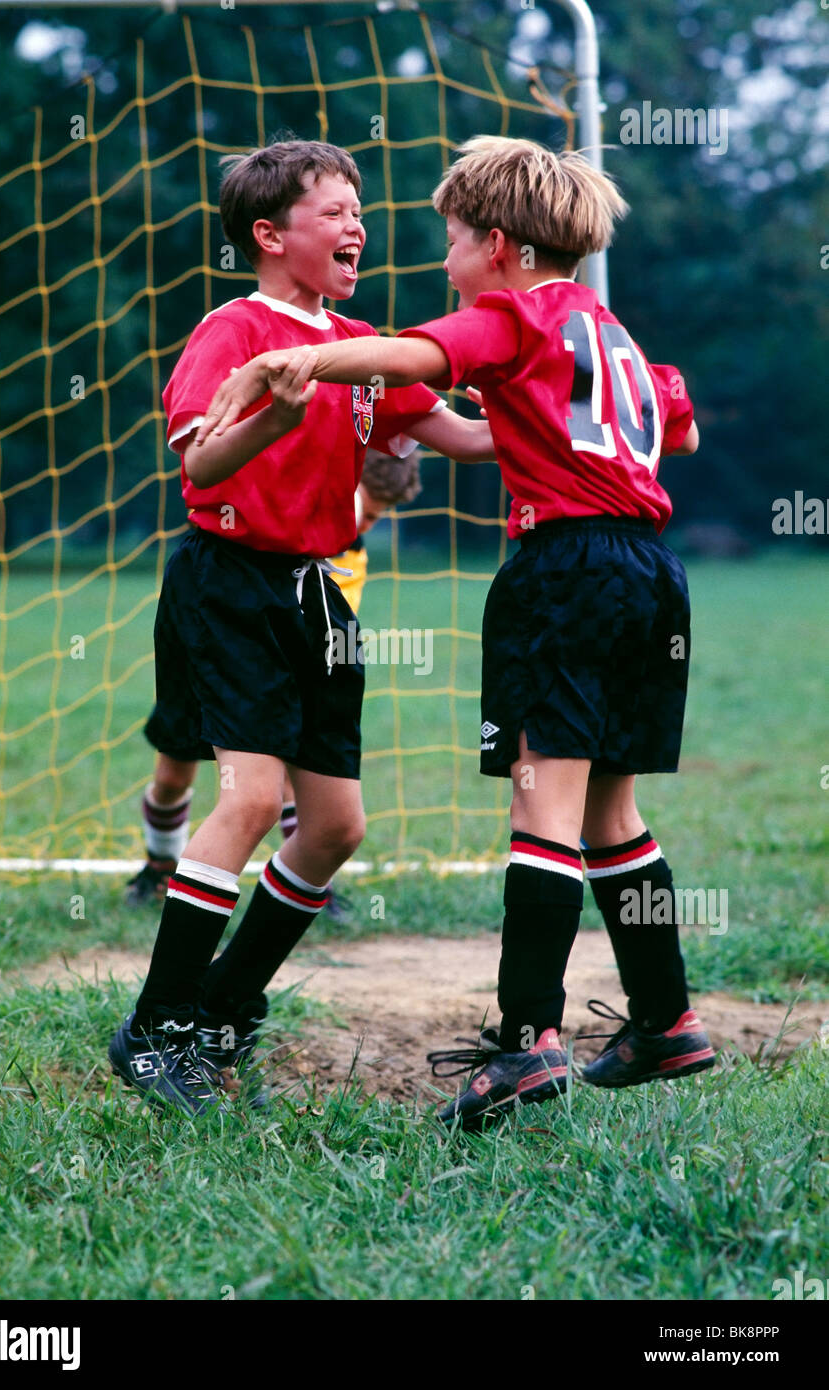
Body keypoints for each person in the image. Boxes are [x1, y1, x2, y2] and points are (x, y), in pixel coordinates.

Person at [196, 135, 715, 1130]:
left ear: (501, 245)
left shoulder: (509, 314)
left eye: (451, 241)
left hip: (564, 573)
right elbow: (678, 429)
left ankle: (528, 1045)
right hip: (653, 574)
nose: (444, 262)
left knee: (544, 807)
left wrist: (294, 355)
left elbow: (412, 354)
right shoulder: (612, 334)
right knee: (614, 813)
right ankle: (666, 1018)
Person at [108, 139, 492, 1115]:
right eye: (334, 210)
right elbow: (200, 468)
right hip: (230, 580)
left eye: (359, 209)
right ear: (272, 235)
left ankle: (225, 1012)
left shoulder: (360, 348)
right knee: (245, 798)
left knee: (333, 826)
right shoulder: (233, 331)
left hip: (317, 592)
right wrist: (274, 423)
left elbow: (464, 435)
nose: (356, 223)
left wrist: (559, 392)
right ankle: (154, 1029)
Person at [125, 448, 423, 923]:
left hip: (275, 669)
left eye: (376, 517)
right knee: (172, 775)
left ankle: (307, 889)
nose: (365, 523)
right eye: (364, 509)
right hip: (206, 648)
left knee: (281, 776)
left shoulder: (346, 554)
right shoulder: (264, 527)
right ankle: (160, 865)